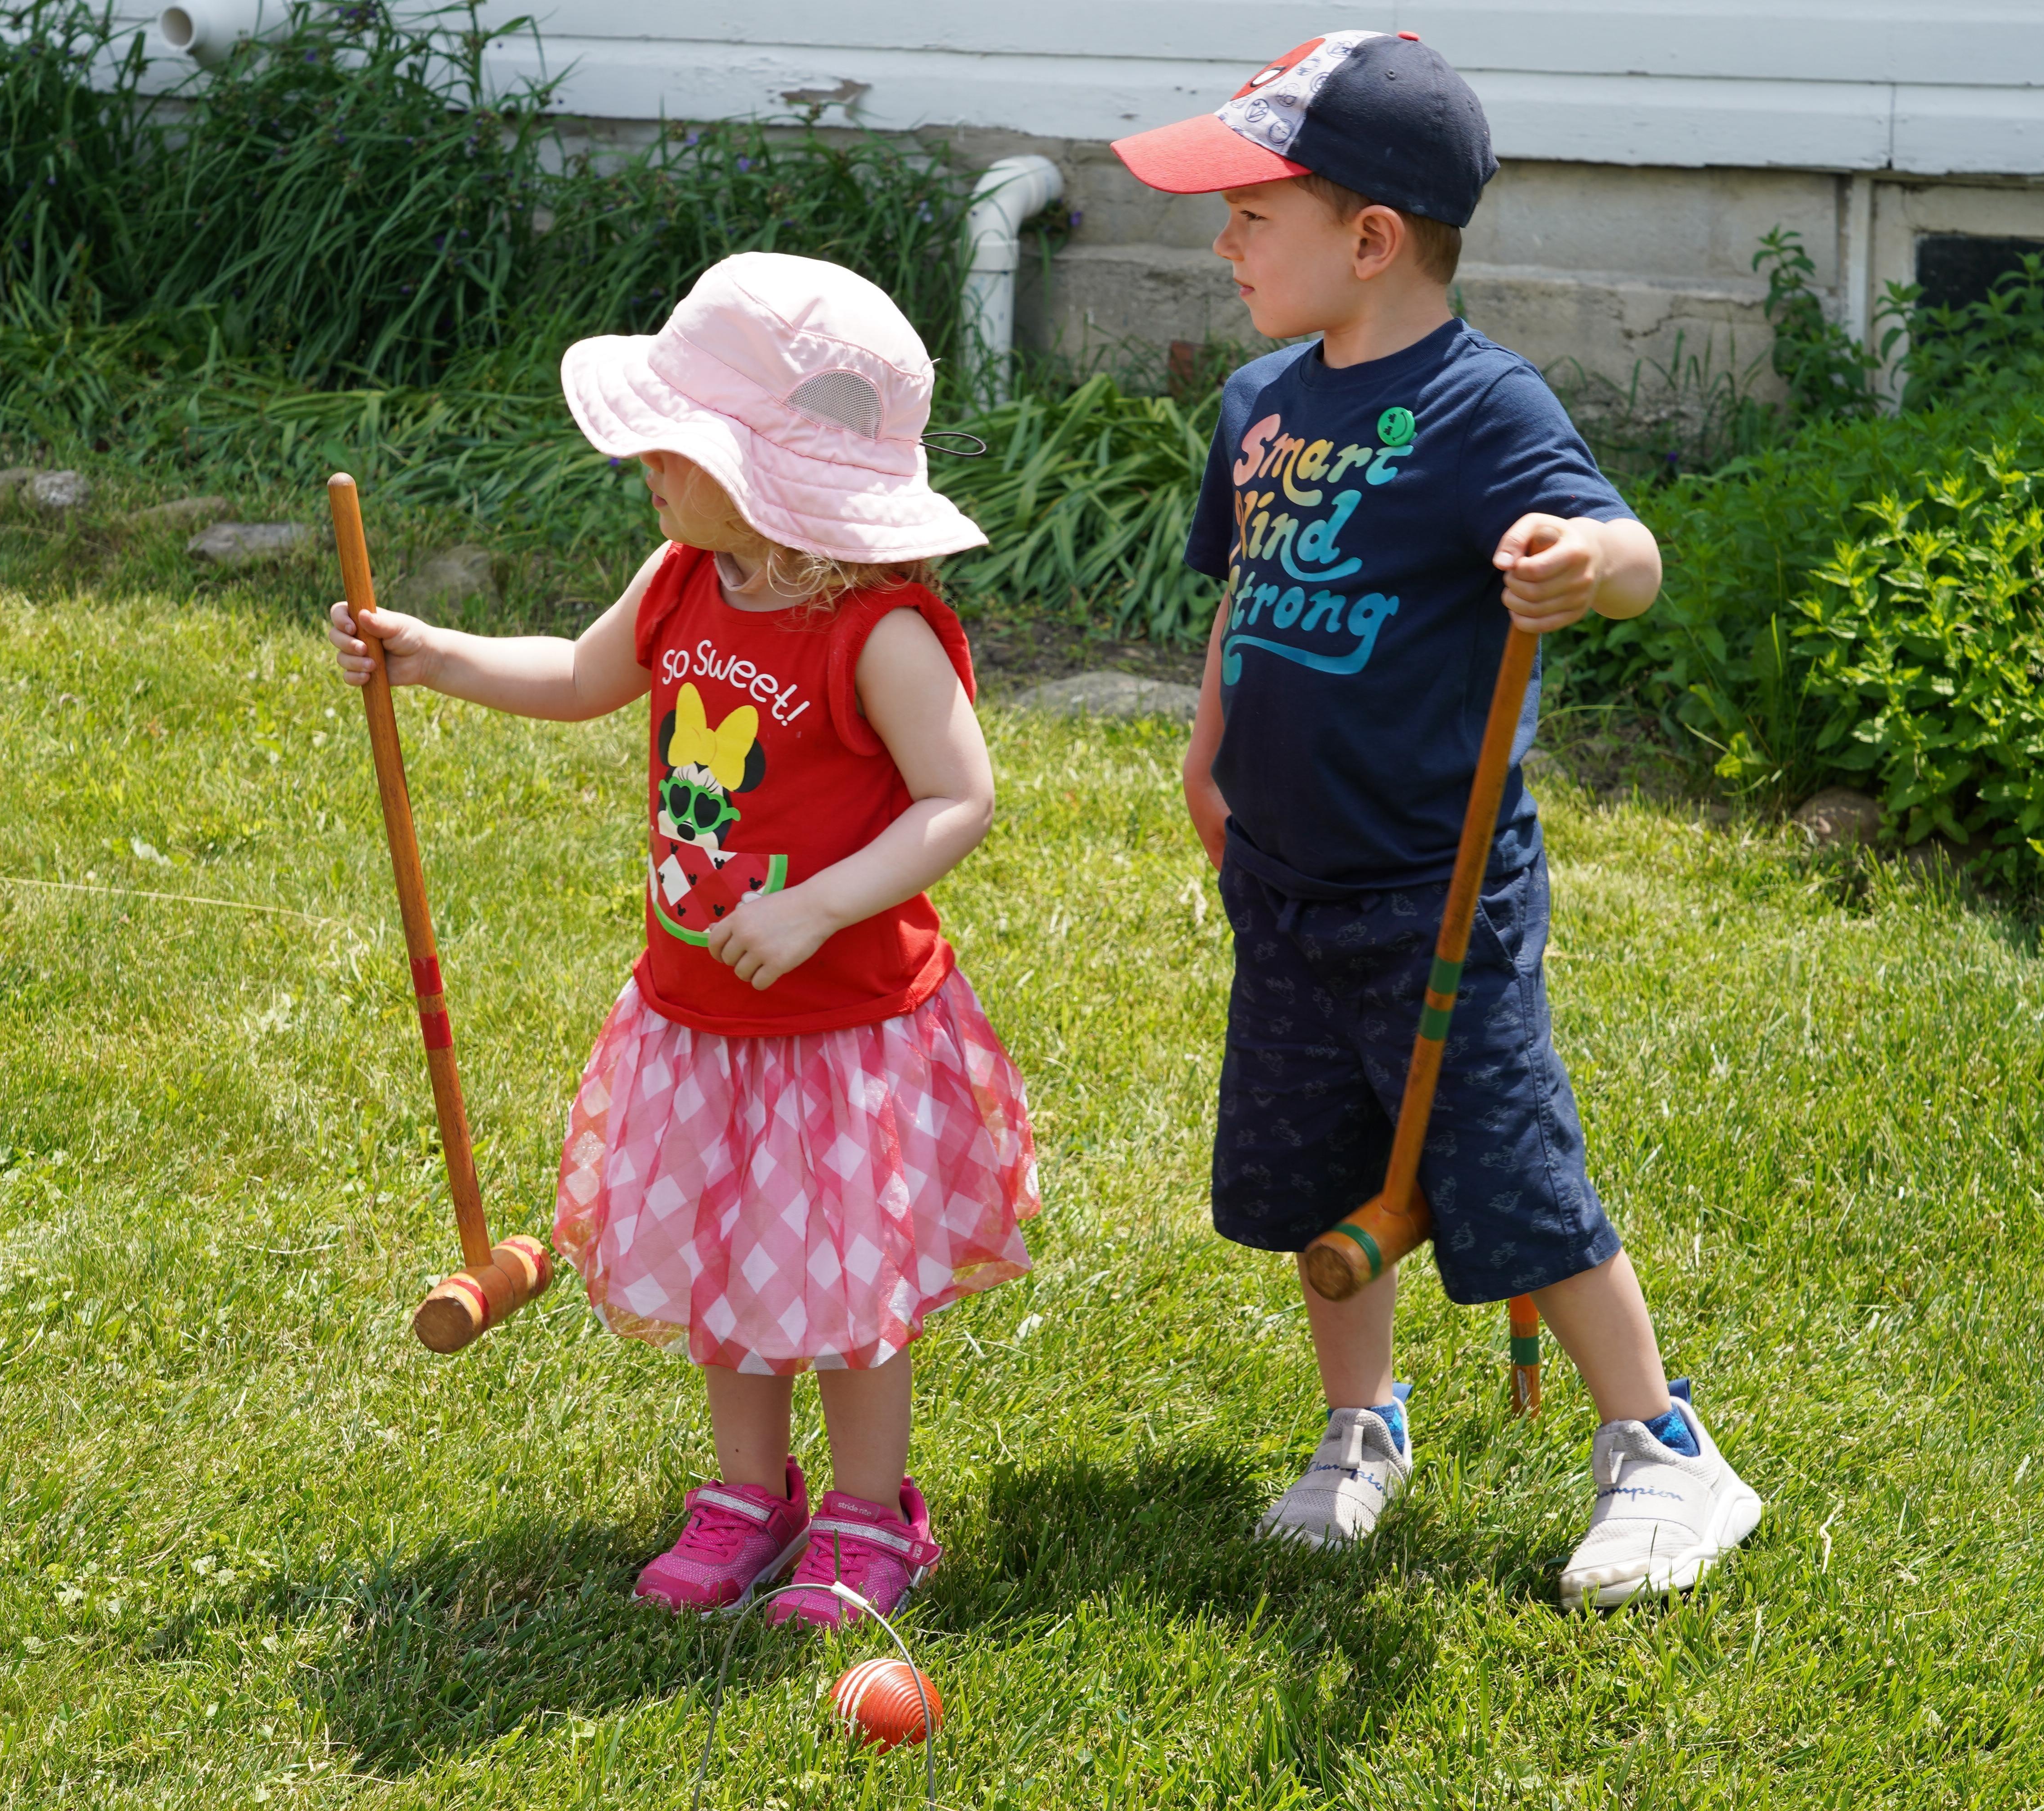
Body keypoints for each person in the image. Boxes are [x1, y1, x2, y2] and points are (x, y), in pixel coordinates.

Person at [1112, 32, 1761, 1607]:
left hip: (1434, 886)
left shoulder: (1483, 406)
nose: (1225, 244)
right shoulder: (1262, 402)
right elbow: (1244, 601)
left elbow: (1635, 550)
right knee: (1312, 1168)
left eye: (1252, 216)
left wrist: (1576, 565)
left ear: (1371, 238)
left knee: (1506, 1168)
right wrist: (1206, 757)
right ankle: (1362, 1426)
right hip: (1281, 872)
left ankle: (1667, 1448)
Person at [326, 254, 1037, 1628]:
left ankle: (870, 1515)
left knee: (846, 1284)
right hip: (701, 1011)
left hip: (844, 1028)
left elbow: (963, 796)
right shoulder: (680, 581)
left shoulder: (880, 630)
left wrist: (822, 901)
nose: (650, 462)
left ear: (775, 472)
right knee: (735, 1255)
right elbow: (585, 678)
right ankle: (746, 1495)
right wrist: (434, 653)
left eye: (679, 443)